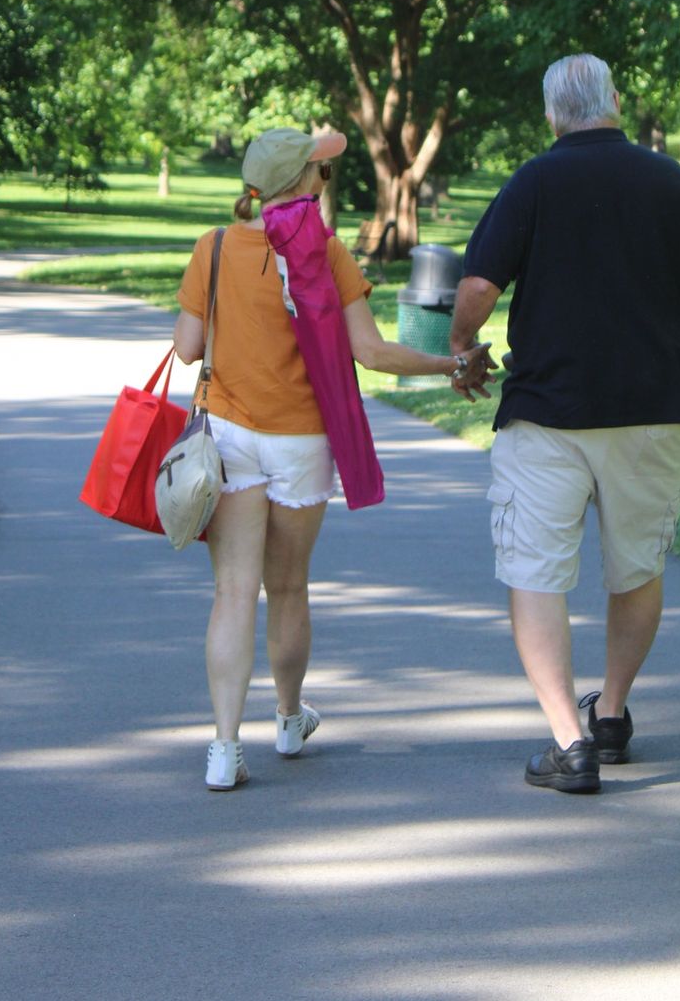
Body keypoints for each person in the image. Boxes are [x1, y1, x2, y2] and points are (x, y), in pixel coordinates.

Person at [449, 55, 680, 795]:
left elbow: (479, 286)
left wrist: (461, 345)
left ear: (552, 115)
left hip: (549, 412)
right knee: (636, 566)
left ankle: (569, 741)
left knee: (535, 572)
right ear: (613, 100)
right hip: (654, 408)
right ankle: (610, 711)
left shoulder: (534, 182)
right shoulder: (672, 181)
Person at [173, 125, 492, 791]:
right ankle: (288, 720)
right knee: (287, 589)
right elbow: (372, 354)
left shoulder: (216, 247)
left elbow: (186, 349)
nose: (327, 181)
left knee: (233, 593)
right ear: (299, 183)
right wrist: (450, 363)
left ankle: (224, 750)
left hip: (228, 438)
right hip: (303, 444)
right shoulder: (329, 255)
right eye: (321, 173)